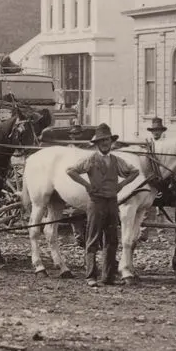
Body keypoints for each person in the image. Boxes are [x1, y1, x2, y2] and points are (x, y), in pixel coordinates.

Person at [65, 123, 141, 287]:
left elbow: (135, 171)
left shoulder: (116, 160)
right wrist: (86, 184)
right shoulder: (91, 159)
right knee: (93, 239)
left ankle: (108, 277)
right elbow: (71, 170)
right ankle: (90, 276)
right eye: (102, 141)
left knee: (112, 240)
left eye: (107, 140)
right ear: (97, 143)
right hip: (96, 202)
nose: (105, 143)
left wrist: (122, 185)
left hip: (112, 202)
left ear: (111, 142)